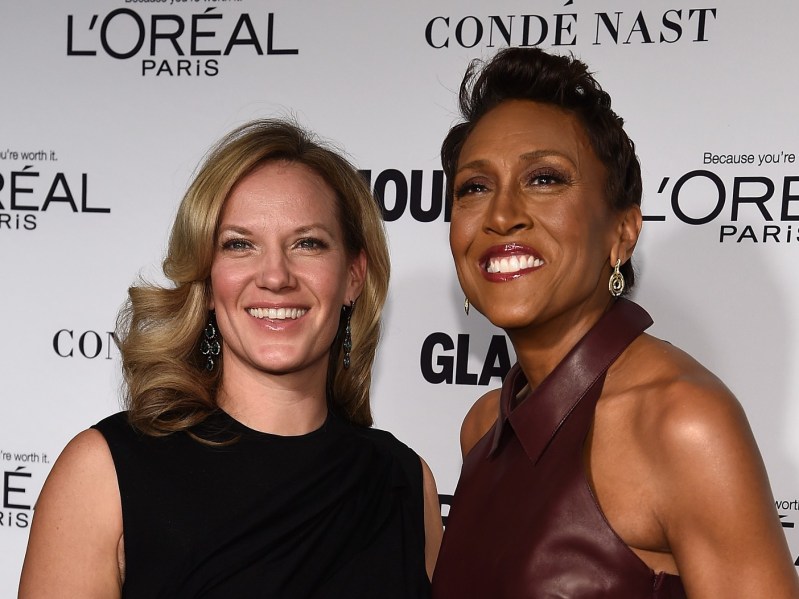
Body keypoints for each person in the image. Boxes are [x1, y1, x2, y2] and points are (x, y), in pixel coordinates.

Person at [19, 119, 442, 598]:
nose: (276, 276)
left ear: (353, 276)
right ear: (206, 282)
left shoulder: (403, 482)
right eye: (240, 244)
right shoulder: (105, 473)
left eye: (307, 243)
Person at [430, 48, 799, 598]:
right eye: (474, 188)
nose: (502, 215)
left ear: (622, 234)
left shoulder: (681, 421)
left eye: (545, 179)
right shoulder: (483, 427)